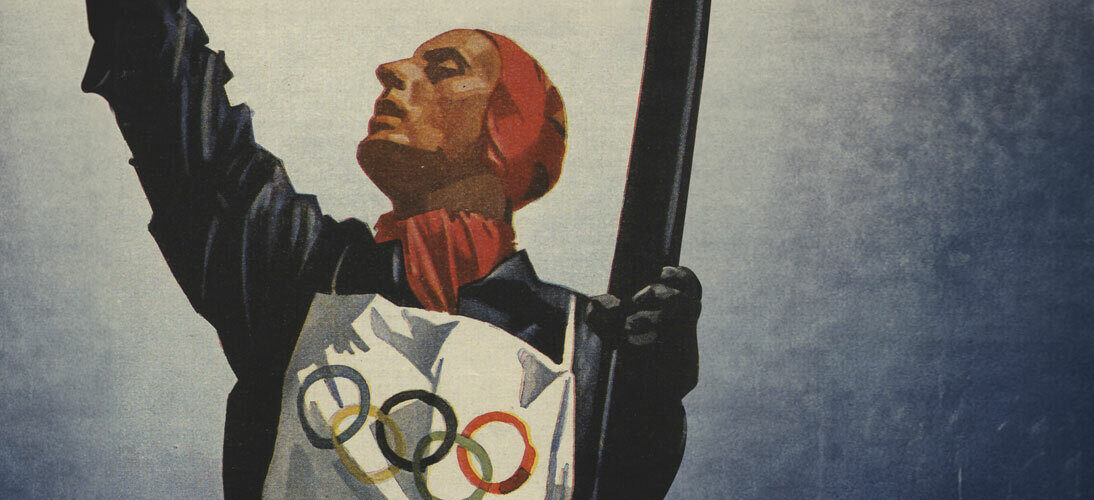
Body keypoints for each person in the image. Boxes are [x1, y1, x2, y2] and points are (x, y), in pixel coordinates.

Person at [81, 1, 700, 498]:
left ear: (508, 129)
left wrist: (657, 386)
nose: (393, 70)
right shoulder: (302, 275)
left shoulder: (583, 341)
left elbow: (624, 479)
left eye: (446, 67)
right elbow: (177, 114)